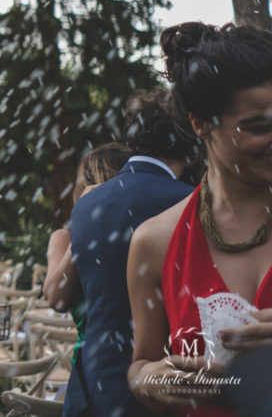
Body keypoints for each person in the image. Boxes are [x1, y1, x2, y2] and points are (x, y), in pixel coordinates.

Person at [128, 22, 272, 415]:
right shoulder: (155, 242)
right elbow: (142, 362)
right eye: (260, 127)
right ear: (200, 123)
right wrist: (147, 379)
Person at [67, 89, 196, 417]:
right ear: (189, 141)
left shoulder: (87, 204)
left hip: (93, 379)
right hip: (163, 382)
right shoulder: (190, 204)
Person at [44, 144, 132, 343]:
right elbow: (56, 298)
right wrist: (84, 224)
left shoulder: (139, 232)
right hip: (93, 358)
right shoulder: (65, 238)